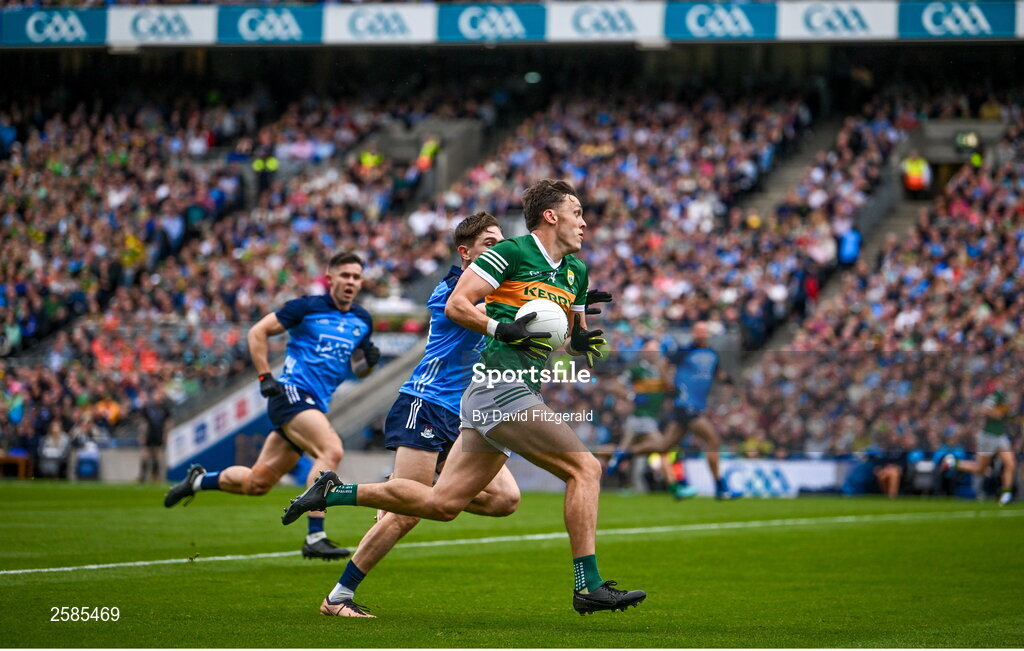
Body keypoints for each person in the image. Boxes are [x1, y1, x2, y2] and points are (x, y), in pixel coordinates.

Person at [282, 179, 646, 616]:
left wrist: (580, 340)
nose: (585, 223)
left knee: (444, 503)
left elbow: (564, 337)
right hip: (487, 388)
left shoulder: (575, 272)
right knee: (585, 467)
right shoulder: (512, 255)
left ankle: (336, 492)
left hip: (491, 395)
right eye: (577, 212)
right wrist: (500, 326)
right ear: (551, 216)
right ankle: (588, 585)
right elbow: (458, 305)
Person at [319, 212, 523, 618]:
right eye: (489, 243)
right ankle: (338, 597)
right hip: (426, 402)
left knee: (504, 499)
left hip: (467, 413)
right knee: (407, 514)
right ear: (465, 253)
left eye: (502, 242)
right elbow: (467, 310)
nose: (499, 250)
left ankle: (398, 488)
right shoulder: (452, 289)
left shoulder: (501, 288)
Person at [164, 251, 381, 560]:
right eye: (345, 275)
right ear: (330, 279)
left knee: (258, 482)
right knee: (331, 450)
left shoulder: (362, 320)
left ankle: (197, 480)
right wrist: (265, 375)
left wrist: (368, 366)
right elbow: (258, 332)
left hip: (315, 403)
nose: (351, 282)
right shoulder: (305, 308)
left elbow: (359, 368)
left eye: (356, 277)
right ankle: (315, 536)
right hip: (291, 393)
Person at [607, 322, 738, 500]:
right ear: (693, 333)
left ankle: (626, 454)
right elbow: (663, 365)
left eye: (704, 331)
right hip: (684, 406)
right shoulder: (683, 352)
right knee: (713, 439)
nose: (701, 334)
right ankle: (720, 487)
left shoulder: (712, 354)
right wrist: (668, 384)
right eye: (698, 331)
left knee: (663, 446)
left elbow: (717, 373)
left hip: (684, 409)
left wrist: (728, 380)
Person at [943, 379, 1017, 506]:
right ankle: (953, 463)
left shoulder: (1007, 398)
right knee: (981, 469)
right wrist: (1001, 412)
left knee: (1010, 464)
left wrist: (1008, 413)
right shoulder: (995, 396)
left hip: (1000, 436)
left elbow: (1007, 415)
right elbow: (984, 410)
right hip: (988, 436)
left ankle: (1006, 494)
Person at [138, 388, 172, 483]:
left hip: (159, 433)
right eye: (156, 395)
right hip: (149, 433)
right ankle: (142, 476)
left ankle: (155, 476)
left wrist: (166, 434)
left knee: (156, 455)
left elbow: (168, 422)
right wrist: (142, 435)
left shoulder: (165, 409)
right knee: (145, 454)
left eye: (159, 395)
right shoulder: (147, 408)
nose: (157, 397)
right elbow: (144, 423)